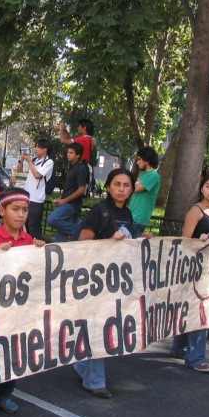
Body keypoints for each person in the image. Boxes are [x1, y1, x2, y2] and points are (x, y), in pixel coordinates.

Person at [73, 168, 151, 398]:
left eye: (126, 185)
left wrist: (142, 240)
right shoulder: (99, 212)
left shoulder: (127, 214)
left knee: (104, 328)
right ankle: (95, 380)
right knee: (100, 328)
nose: (122, 189)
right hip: (95, 282)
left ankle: (83, 367)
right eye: (117, 184)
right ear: (108, 187)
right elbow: (83, 243)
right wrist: (109, 241)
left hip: (115, 283)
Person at [0, 187, 45, 415]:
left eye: (25, 210)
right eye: (15, 209)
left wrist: (38, 253)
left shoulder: (29, 240)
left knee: (16, 351)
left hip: (20, 310)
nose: (20, 215)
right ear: (1, 210)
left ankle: (6, 394)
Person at [170, 173, 209, 373]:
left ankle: (178, 348)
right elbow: (184, 242)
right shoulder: (196, 211)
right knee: (203, 311)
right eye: (208, 186)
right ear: (201, 189)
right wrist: (198, 241)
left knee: (194, 309)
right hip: (194, 267)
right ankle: (196, 357)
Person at [47, 142, 89, 242]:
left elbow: (81, 190)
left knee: (52, 219)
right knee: (61, 235)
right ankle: (59, 254)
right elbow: (69, 188)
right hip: (66, 202)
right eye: (68, 152)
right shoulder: (71, 167)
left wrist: (65, 200)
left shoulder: (82, 168)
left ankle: (81, 232)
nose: (68, 154)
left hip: (72, 204)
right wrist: (61, 199)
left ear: (78, 155)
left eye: (71, 153)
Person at [16, 139, 53, 240]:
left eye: (38, 147)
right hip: (26, 197)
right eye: (35, 146)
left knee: (34, 227)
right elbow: (19, 171)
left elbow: (37, 175)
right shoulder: (35, 160)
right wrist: (22, 160)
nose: (36, 149)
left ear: (45, 149)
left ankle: (35, 247)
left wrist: (29, 161)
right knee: (24, 225)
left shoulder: (49, 162)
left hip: (36, 199)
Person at [130, 146, 161, 237]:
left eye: (139, 159)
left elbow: (134, 189)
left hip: (138, 218)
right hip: (132, 216)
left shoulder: (154, 176)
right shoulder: (143, 174)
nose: (137, 162)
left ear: (146, 160)